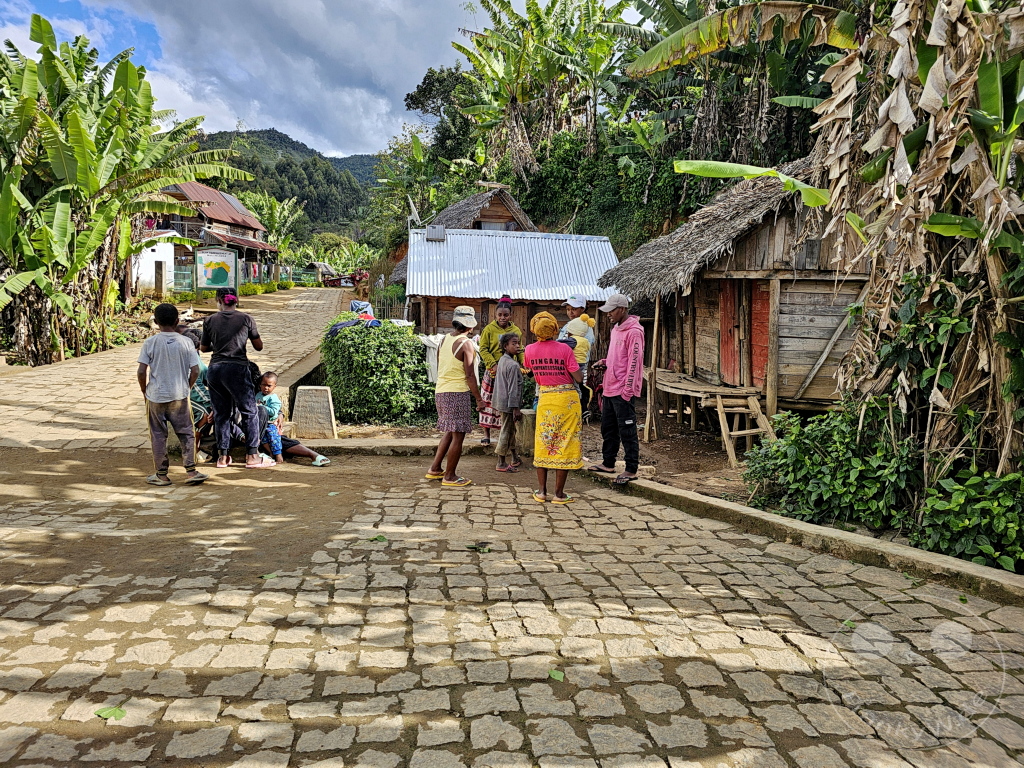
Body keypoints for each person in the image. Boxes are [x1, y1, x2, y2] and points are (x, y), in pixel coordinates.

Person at [200, 288, 275, 469]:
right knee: (249, 411)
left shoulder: (209, 320)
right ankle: (252, 455)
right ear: (236, 300)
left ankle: (223, 458)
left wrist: (219, 347)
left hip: (215, 369)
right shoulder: (246, 319)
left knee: (221, 414)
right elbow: (259, 346)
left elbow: (203, 348)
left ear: (219, 300)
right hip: (237, 369)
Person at [137, 303, 208, 486]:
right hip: (180, 396)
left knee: (158, 435)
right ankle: (191, 471)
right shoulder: (186, 342)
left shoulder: (150, 343)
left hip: (155, 396)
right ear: (177, 321)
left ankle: (161, 475)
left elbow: (141, 371)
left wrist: (144, 390)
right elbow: (195, 370)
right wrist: (188, 387)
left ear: (156, 322)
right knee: (187, 433)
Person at [524, 311, 583, 504]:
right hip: (567, 401)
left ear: (534, 329)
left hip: (546, 399)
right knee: (564, 443)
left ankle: (541, 492)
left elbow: (529, 372)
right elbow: (578, 378)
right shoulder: (565, 350)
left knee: (544, 443)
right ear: (555, 329)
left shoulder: (529, 350)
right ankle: (559, 494)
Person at [427, 306, 486, 487]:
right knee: (458, 436)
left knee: (450, 431)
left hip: (442, 390)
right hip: (457, 392)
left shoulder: (444, 339)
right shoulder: (466, 344)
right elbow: (469, 376)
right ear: (470, 326)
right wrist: (478, 398)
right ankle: (450, 476)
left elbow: (441, 364)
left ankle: (435, 468)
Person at [588, 293, 644, 485]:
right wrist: (604, 362)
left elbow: (634, 362)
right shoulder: (616, 329)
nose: (608, 314)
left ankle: (631, 468)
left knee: (627, 429)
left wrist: (627, 390)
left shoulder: (634, 332)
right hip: (609, 387)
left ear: (621, 309)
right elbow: (618, 358)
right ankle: (608, 462)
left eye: (611, 311)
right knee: (608, 428)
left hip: (622, 390)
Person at [477, 295, 522, 445]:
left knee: (508, 402)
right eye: (500, 315)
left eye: (506, 315)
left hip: (509, 373)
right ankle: (486, 434)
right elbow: (483, 349)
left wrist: (523, 367)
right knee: (488, 401)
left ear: (511, 315)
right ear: (495, 315)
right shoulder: (489, 329)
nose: (503, 318)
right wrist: (492, 365)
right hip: (492, 371)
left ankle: (506, 435)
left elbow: (519, 350)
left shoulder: (515, 330)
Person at [491, 332, 524, 473]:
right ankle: (501, 462)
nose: (517, 346)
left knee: (511, 429)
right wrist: (515, 408)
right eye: (513, 343)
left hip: (501, 401)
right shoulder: (513, 365)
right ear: (505, 346)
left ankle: (515, 458)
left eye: (518, 343)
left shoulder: (503, 360)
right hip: (509, 403)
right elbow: (513, 388)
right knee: (506, 430)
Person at [257, 372, 285, 464]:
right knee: (263, 439)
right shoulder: (258, 395)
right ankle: (271, 453)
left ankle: (278, 455)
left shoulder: (274, 398)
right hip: (261, 424)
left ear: (274, 387)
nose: (266, 388)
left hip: (271, 423)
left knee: (274, 438)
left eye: (269, 386)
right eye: (263, 385)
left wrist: (261, 407)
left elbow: (274, 411)